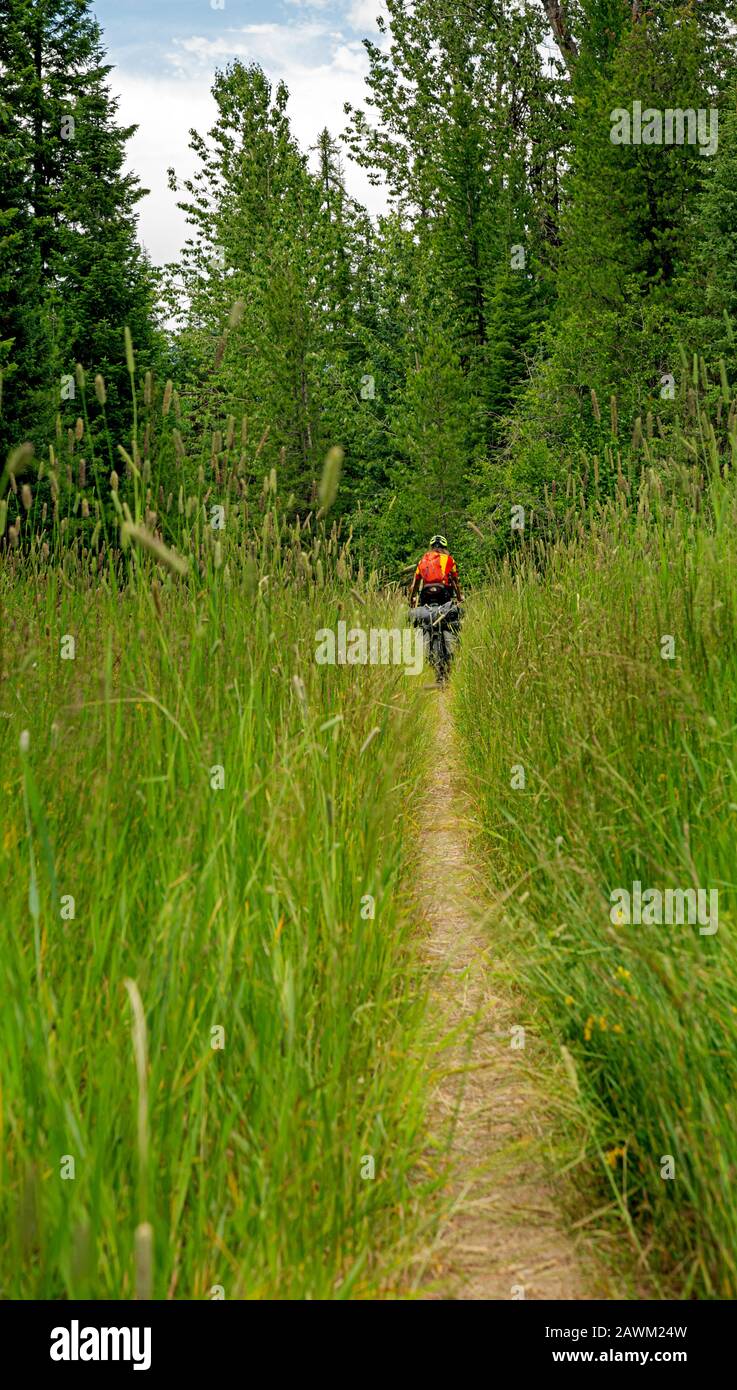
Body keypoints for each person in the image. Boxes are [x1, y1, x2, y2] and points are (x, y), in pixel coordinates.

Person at [409, 534, 463, 608]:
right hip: (443, 592)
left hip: (426, 592)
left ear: (431, 548)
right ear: (445, 548)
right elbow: (456, 582)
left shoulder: (422, 561)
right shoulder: (449, 559)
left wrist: (411, 599)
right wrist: (459, 598)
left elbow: (415, 584)